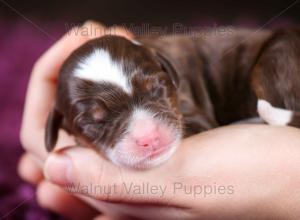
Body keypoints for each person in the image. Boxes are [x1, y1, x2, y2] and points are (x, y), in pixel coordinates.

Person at [19, 21, 300, 220]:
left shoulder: (172, 65)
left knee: (282, 59)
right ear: (59, 127)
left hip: (282, 50)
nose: (147, 133)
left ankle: (286, 116)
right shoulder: (153, 67)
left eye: (154, 91)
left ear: (167, 74)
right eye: (100, 122)